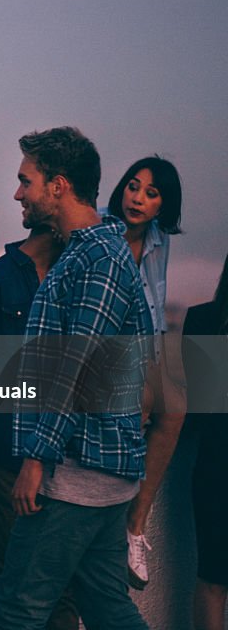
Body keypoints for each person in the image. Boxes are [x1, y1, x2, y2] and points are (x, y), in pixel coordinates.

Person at [0, 127, 151, 630]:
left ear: (57, 186)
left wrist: (37, 459)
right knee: (108, 606)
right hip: (100, 471)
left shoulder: (98, 258)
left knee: (15, 607)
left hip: (77, 473)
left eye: (26, 181)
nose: (19, 193)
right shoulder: (89, 253)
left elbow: (75, 365)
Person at [0, 224, 77, 630]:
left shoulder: (78, 276)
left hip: (68, 465)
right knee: (11, 586)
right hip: (10, 462)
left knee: (64, 593)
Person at [106, 156, 185, 589]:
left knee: (174, 407)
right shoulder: (99, 231)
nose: (137, 198)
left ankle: (135, 527)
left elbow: (156, 310)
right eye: (133, 186)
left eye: (151, 193)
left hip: (140, 353)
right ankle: (109, 522)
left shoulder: (158, 240)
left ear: (162, 206)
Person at [181, 251, 228, 630]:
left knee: (212, 579)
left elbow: (195, 411)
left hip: (216, 465)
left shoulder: (203, 320)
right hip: (216, 467)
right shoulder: (204, 320)